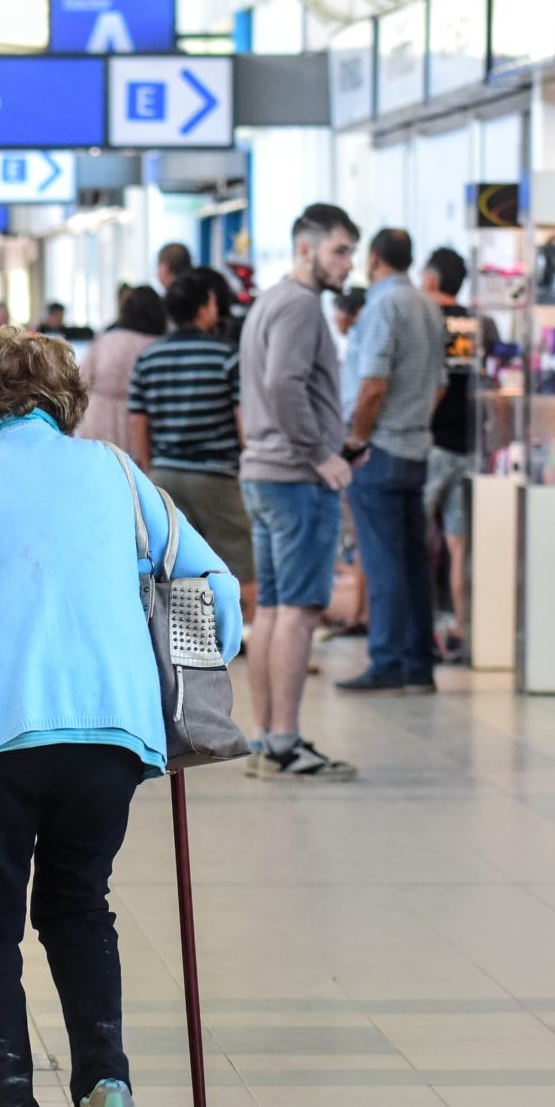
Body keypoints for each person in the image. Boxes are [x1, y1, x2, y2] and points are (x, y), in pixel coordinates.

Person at [0, 328, 242, 1107]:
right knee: (80, 908)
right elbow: (212, 590)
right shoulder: (119, 475)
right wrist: (195, 659)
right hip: (111, 734)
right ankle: (109, 1092)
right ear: (64, 401)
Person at [240, 203, 360, 781]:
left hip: (264, 472)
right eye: (339, 250)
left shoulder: (270, 300)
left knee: (271, 608)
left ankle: (268, 738)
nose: (348, 264)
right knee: (299, 612)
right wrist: (320, 454)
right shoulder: (302, 306)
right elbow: (283, 382)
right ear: (306, 249)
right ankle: (284, 742)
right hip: (294, 477)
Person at [337, 229, 446, 695]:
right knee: (413, 561)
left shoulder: (383, 307)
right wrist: (415, 420)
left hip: (379, 449)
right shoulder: (428, 306)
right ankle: (419, 664)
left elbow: (373, 384)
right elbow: (440, 383)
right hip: (416, 446)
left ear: (375, 258)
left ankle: (387, 661)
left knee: (382, 561)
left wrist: (357, 440)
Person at [127, 267, 256, 616]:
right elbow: (243, 419)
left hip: (165, 474)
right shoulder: (226, 356)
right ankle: (240, 638)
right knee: (239, 557)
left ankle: (192, 642)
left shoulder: (149, 357)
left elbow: (139, 418)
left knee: (180, 563)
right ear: (205, 307)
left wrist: (151, 465)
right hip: (215, 475)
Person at [419, 247, 493, 664]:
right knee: (458, 543)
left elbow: (439, 383)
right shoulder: (468, 319)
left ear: (431, 280)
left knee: (417, 540)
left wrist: (421, 423)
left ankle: (425, 630)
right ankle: (461, 627)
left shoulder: (429, 318)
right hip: (466, 442)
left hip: (434, 445)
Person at [76, 284, 164, 450]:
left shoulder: (105, 340)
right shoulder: (157, 346)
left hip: (98, 420)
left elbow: (81, 380)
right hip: (140, 426)